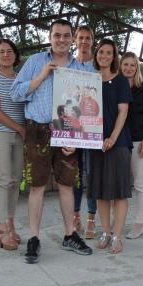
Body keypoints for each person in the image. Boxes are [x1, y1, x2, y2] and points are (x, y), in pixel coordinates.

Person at [10, 19, 94, 264]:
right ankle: (34, 238)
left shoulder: (82, 70)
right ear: (50, 37)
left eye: (66, 36)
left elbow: (89, 111)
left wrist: (78, 139)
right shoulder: (36, 61)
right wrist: (41, 76)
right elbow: (16, 93)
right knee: (37, 186)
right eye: (57, 35)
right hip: (38, 130)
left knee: (67, 185)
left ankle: (70, 234)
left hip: (68, 131)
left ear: (72, 39)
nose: (62, 40)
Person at [88, 39, 133, 253]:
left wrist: (113, 138)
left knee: (119, 192)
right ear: (96, 54)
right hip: (95, 142)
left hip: (119, 142)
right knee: (100, 191)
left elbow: (123, 112)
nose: (104, 56)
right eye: (101, 52)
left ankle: (117, 235)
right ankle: (105, 232)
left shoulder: (121, 81)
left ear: (114, 57)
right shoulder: (88, 80)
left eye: (109, 53)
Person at [0, 38, 26, 251]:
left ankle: (10, 222)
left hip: (21, 137)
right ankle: (1, 228)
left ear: (15, 55)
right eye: (2, 51)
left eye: (10, 51)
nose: (6, 54)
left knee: (15, 180)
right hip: (1, 134)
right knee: (3, 180)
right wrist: (19, 128)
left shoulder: (21, 78)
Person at [120, 52, 143, 239]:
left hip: (139, 140)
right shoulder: (115, 88)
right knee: (118, 185)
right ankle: (117, 223)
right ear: (120, 66)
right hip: (119, 142)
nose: (129, 68)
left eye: (132, 65)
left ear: (137, 68)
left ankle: (139, 223)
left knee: (140, 184)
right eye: (125, 64)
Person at [71, 25, 98, 238]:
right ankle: (75, 215)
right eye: (80, 37)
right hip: (71, 127)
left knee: (91, 172)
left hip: (91, 128)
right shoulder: (68, 64)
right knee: (74, 174)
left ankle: (91, 217)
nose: (84, 41)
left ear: (92, 41)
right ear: (75, 40)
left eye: (88, 38)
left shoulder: (97, 65)